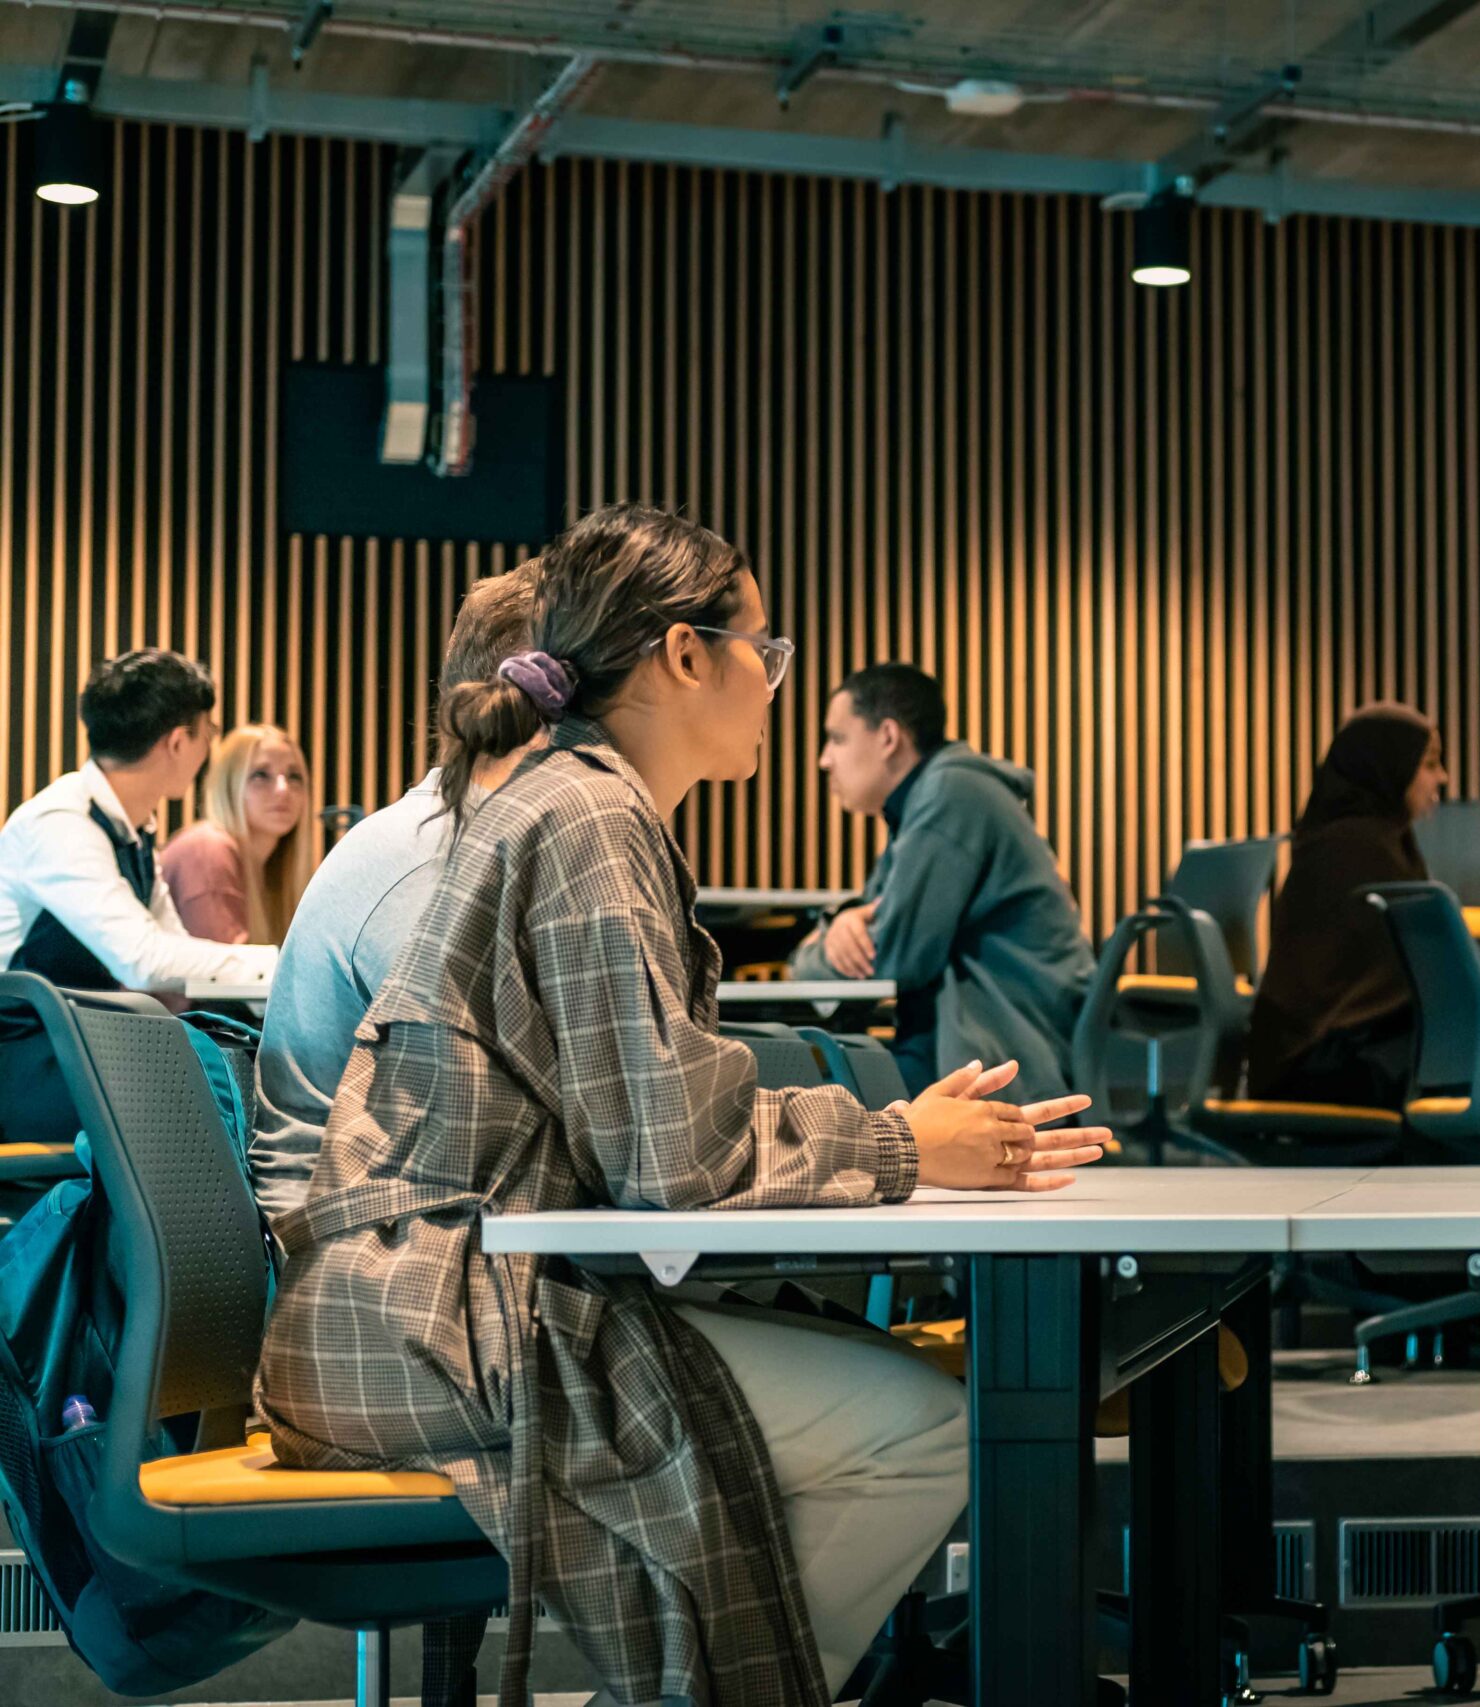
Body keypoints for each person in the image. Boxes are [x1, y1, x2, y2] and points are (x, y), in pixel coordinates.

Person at [254, 504, 1109, 1707]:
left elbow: (650, 1128)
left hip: (416, 1304)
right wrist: (898, 1144)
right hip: (433, 1328)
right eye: (767, 648)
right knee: (919, 1427)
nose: (775, 683)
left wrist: (899, 1142)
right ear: (685, 654)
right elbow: (668, 1158)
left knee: (857, 1401)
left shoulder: (574, 803)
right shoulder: (591, 819)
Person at [249, 567, 540, 1220]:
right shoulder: (439, 859)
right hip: (364, 1245)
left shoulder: (487, 839)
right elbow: (484, 1122)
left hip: (419, 1214)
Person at [792, 663, 1096, 1101]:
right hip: (970, 1041)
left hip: (1006, 1053)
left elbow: (891, 958)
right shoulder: (927, 797)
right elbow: (873, 916)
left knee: (807, 1095)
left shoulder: (951, 795)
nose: (825, 759)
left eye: (837, 738)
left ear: (888, 737)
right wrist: (840, 924)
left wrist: (807, 956)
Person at [0, 649, 279, 993]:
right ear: (178, 742)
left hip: (75, 1022)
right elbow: (144, 961)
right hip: (24, 1025)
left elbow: (172, 947)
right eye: (209, 732)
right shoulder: (61, 823)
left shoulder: (133, 826)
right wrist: (277, 964)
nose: (209, 749)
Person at [1245, 703, 1450, 1108]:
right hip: (1318, 1064)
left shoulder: (1370, 840)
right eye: (1429, 763)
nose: (1441, 778)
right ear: (1387, 766)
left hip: (1326, 1053)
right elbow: (1424, 966)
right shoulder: (1354, 849)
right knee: (1477, 1057)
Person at [161, 723, 319, 946]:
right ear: (228, 786)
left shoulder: (275, 875)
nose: (283, 789)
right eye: (261, 775)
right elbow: (223, 965)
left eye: (294, 777)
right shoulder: (207, 849)